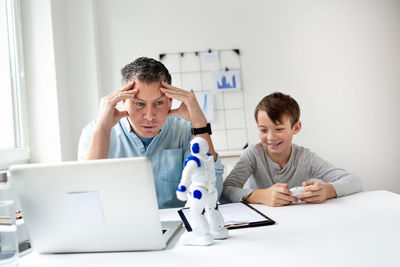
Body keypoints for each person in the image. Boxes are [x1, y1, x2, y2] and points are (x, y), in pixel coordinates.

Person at [78, 57, 223, 209]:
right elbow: (87, 200)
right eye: (139, 104)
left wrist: (200, 124)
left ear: (170, 102)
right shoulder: (95, 131)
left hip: (179, 226)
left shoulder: (186, 130)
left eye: (158, 103)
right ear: (123, 101)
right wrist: (103, 130)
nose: (149, 116)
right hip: (120, 226)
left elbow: (211, 195)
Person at [220, 92, 362, 206]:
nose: (270, 137)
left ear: (296, 128)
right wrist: (262, 196)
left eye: (279, 129)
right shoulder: (252, 154)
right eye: (263, 130)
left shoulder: (305, 157)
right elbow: (225, 192)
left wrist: (327, 190)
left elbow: (354, 181)